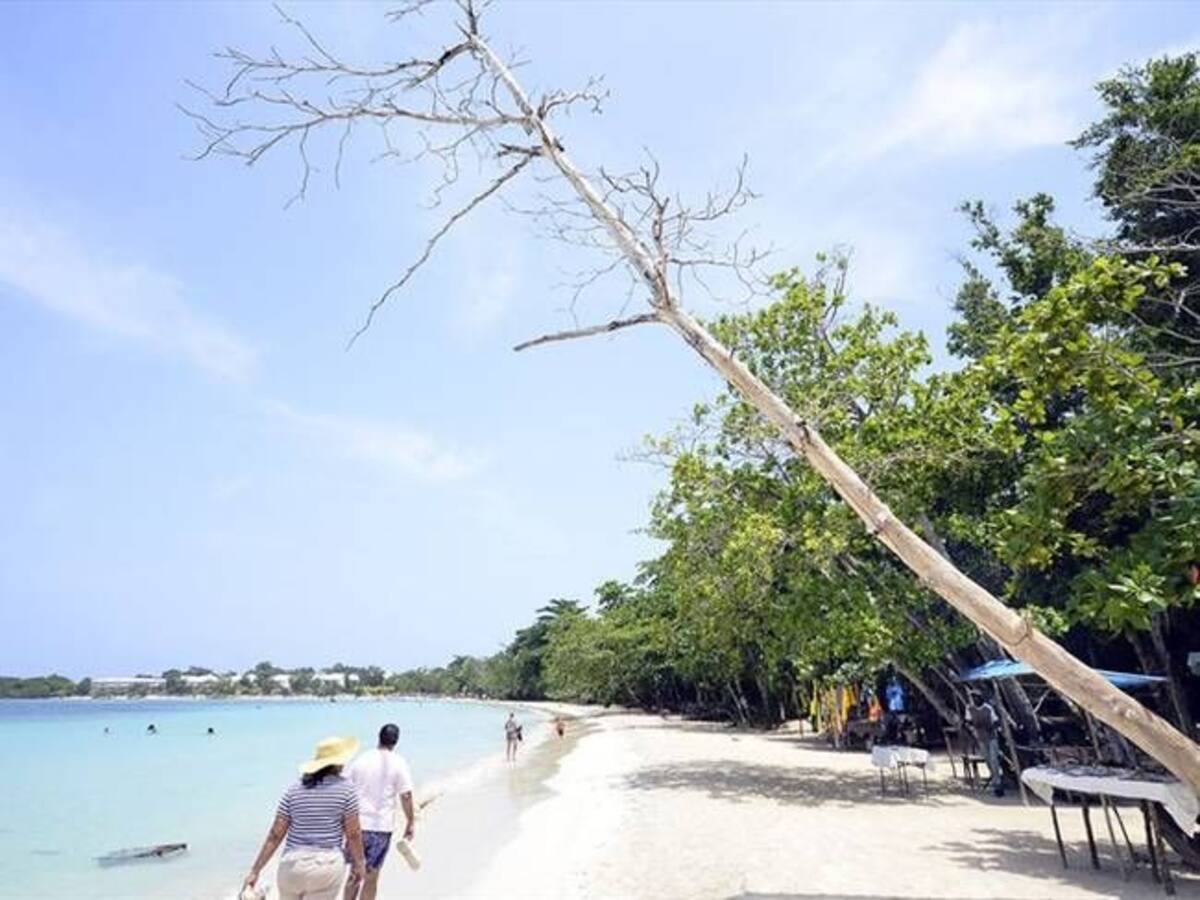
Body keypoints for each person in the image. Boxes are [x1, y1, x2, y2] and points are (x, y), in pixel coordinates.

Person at [243, 736, 366, 900]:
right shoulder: (347, 790)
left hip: (292, 866)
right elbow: (353, 833)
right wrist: (360, 863)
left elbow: (275, 834)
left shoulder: (294, 789)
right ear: (339, 763)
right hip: (326, 866)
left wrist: (255, 870)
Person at [342, 724, 415, 900]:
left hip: (356, 826)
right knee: (371, 877)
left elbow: (344, 789)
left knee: (354, 873)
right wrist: (410, 822)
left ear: (379, 737)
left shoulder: (361, 759)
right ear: (396, 741)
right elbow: (406, 796)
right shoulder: (399, 762)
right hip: (381, 829)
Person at [966, 692, 1004, 797]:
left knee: (993, 760)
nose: (974, 700)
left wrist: (991, 727)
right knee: (987, 760)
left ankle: (998, 784)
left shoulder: (988, 708)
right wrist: (972, 728)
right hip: (981, 738)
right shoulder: (970, 709)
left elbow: (996, 721)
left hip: (992, 737)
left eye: (976, 698)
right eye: (973, 698)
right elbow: (968, 722)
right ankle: (997, 777)